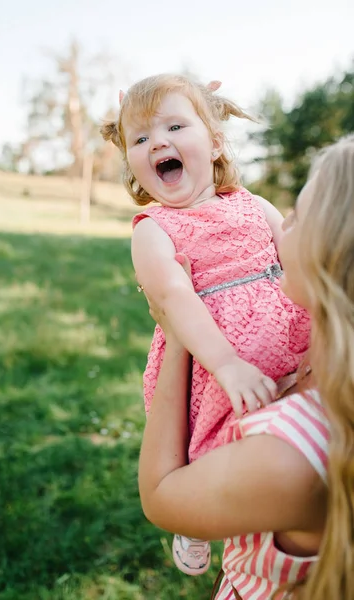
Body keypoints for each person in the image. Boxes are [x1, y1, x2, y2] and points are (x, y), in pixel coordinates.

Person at [100, 73, 310, 576]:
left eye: (175, 125)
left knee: (286, 432)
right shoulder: (154, 231)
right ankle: (195, 514)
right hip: (209, 354)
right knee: (213, 434)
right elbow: (174, 298)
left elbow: (302, 261)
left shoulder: (253, 205)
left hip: (288, 336)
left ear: (215, 143)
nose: (159, 143)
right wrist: (227, 365)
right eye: (142, 137)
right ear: (130, 159)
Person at [138, 135, 354, 599]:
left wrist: (178, 338)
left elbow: (161, 496)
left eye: (295, 217)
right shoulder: (320, 365)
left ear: (330, 255)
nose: (281, 223)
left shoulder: (292, 455)